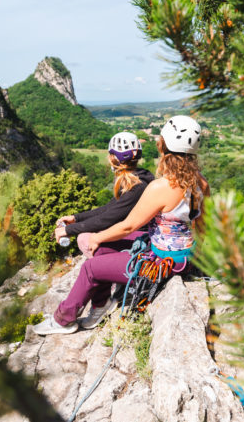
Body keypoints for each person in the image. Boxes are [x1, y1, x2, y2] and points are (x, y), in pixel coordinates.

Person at [33, 115, 209, 335]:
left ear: (162, 145)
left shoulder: (161, 187)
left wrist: (95, 237)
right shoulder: (201, 182)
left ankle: (63, 320)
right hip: (182, 258)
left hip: (162, 263)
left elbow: (128, 226)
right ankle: (101, 305)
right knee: (103, 249)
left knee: (89, 267)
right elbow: (203, 227)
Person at [55, 132, 155, 258]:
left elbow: (107, 218)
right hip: (141, 234)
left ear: (114, 158)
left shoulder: (137, 186)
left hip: (142, 238)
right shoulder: (139, 177)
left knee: (84, 239)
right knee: (88, 234)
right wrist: (76, 218)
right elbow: (109, 208)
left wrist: (67, 230)